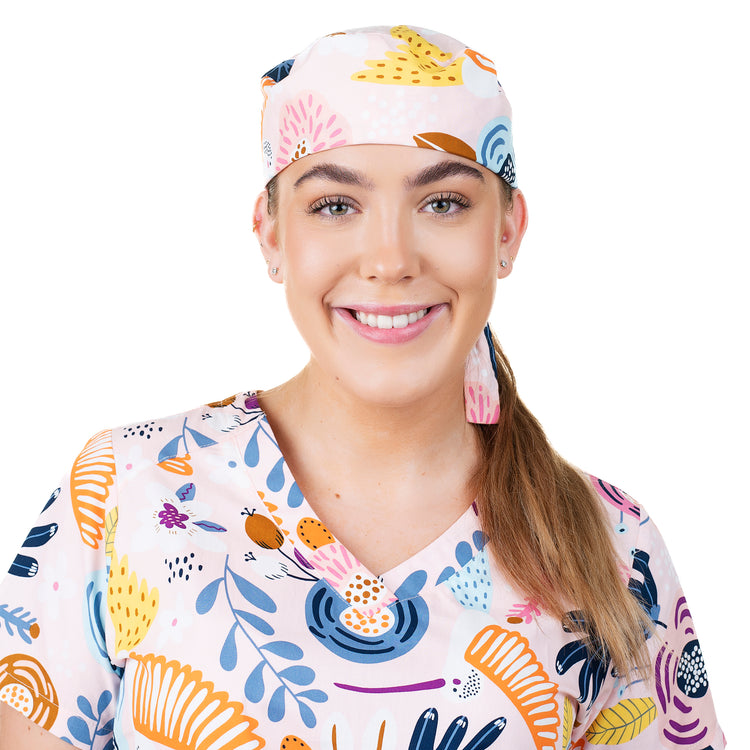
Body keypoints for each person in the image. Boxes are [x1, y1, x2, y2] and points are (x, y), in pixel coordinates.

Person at [0, 24, 725, 750]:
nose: (389, 259)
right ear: (271, 235)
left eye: (443, 202)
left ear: (507, 231)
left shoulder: (614, 548)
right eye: (335, 206)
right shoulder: (126, 491)